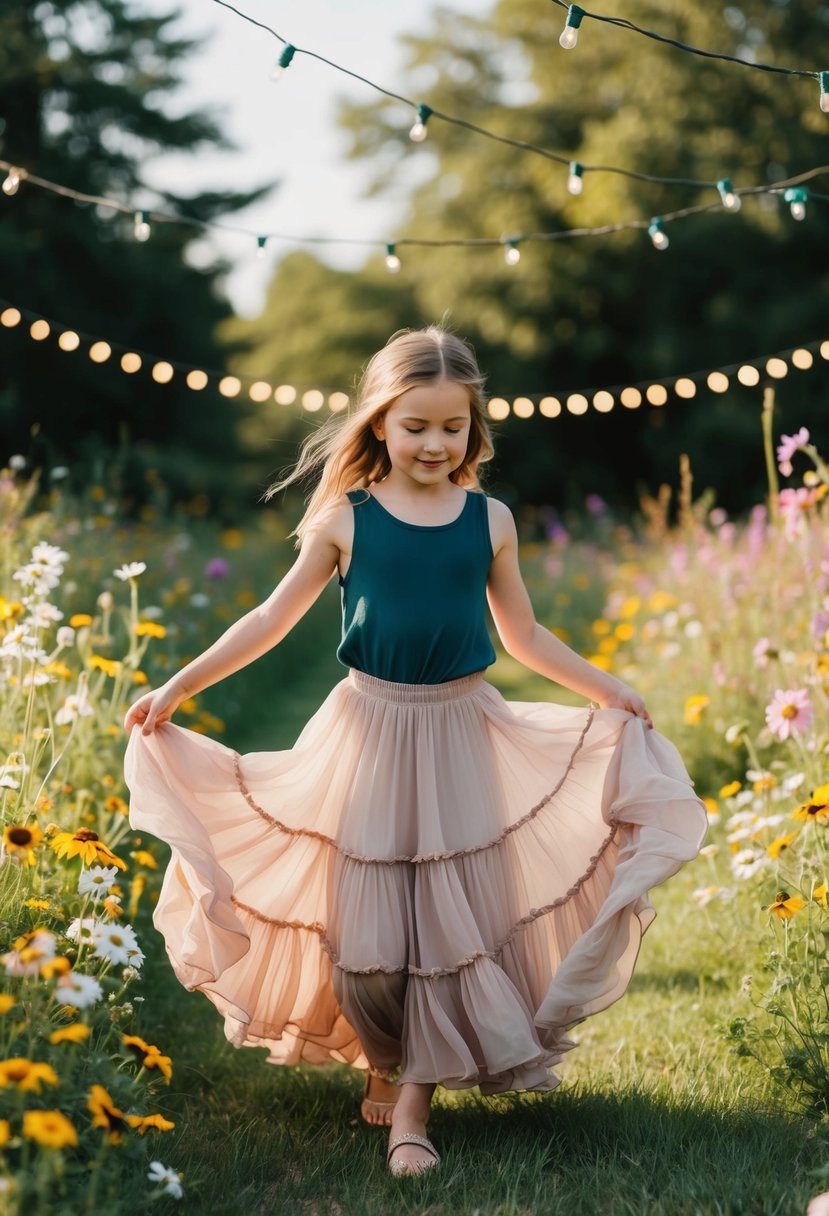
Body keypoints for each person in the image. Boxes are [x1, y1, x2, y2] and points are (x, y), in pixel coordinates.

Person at [123, 326, 707, 1178]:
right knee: (366, 947)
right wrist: (178, 687)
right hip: (366, 732)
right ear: (380, 426)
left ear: (474, 432)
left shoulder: (489, 519)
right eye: (416, 426)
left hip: (459, 731)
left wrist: (606, 689)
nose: (435, 444)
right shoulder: (344, 521)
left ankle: (411, 1112)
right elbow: (267, 621)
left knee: (443, 930)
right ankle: (382, 1055)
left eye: (452, 428)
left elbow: (525, 634)